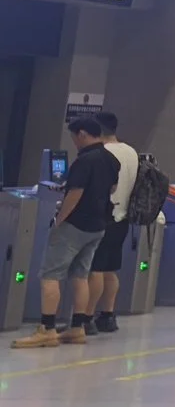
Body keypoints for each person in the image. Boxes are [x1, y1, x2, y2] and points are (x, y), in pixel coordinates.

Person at [12, 114, 117, 348]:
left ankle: (47, 329)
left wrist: (59, 220)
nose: (74, 143)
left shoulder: (84, 160)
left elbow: (75, 193)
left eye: (74, 138)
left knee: (50, 275)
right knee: (80, 275)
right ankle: (77, 327)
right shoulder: (110, 159)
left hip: (75, 225)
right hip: (98, 226)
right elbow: (112, 187)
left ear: (82, 134)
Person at [87, 111, 141, 336]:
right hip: (123, 217)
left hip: (104, 216)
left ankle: (86, 317)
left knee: (94, 269)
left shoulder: (102, 153)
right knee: (110, 269)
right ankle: (107, 316)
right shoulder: (130, 151)